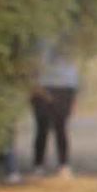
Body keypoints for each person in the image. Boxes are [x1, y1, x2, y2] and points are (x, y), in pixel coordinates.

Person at [30, 42, 79, 177]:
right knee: (41, 128)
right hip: (42, 85)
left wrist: (74, 92)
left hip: (64, 86)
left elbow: (74, 67)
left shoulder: (69, 35)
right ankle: (38, 165)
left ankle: (63, 164)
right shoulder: (37, 35)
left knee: (61, 127)